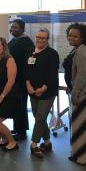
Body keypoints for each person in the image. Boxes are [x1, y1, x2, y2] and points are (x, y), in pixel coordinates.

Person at [63, 23, 86, 165]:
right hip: (84, 92)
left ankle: (85, 158)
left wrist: (75, 94)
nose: (71, 38)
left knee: (84, 127)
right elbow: (74, 74)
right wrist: (70, 87)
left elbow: (82, 75)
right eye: (70, 35)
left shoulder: (82, 51)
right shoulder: (77, 49)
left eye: (75, 36)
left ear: (83, 38)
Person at [25, 28, 59, 158]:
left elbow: (52, 73)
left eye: (43, 38)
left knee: (40, 117)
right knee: (38, 116)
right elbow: (25, 70)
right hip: (32, 90)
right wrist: (28, 85)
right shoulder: (30, 52)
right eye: (38, 37)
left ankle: (34, 144)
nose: (40, 40)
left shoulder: (52, 54)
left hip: (47, 91)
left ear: (47, 39)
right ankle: (47, 142)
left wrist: (43, 88)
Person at [8, 19, 34, 141]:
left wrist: (26, 79)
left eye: (16, 27)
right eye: (12, 27)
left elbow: (28, 62)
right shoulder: (13, 40)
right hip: (14, 79)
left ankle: (22, 131)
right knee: (16, 105)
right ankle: (17, 128)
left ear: (22, 29)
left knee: (21, 105)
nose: (13, 29)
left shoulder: (27, 42)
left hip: (21, 79)